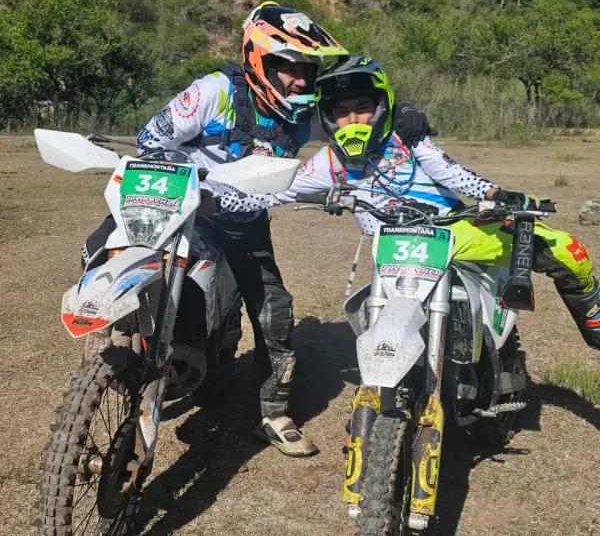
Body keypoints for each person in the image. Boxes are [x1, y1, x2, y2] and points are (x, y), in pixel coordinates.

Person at [81, 9, 434, 456]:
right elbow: (152, 139)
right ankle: (114, 345)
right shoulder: (214, 92)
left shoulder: (305, 112)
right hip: (175, 206)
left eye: (307, 70)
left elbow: (358, 102)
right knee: (98, 248)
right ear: (259, 59)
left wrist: (404, 111)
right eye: (290, 67)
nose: (302, 81)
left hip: (243, 220)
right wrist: (199, 182)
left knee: (274, 312)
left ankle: (272, 412)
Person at [214, 56, 600, 350]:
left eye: (362, 107)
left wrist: (495, 195)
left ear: (381, 106)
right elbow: (279, 190)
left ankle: (594, 322)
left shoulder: (407, 140)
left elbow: (451, 172)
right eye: (341, 112)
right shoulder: (330, 162)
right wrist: (212, 198)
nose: (353, 119)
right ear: (328, 118)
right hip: (396, 254)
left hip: (456, 231)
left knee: (566, 249)